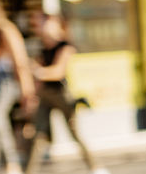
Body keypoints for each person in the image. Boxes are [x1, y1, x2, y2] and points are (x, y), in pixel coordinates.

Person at [25, 14, 106, 174]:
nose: (44, 28)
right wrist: (32, 94)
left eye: (48, 24)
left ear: (58, 26)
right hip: (46, 95)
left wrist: (37, 71)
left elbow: (58, 71)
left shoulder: (65, 46)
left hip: (63, 95)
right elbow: (39, 76)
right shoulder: (43, 47)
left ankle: (96, 167)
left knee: (74, 133)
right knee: (38, 135)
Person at [0, 0, 33, 174]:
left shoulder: (5, 28)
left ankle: (12, 163)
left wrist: (27, 91)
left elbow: (20, 61)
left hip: (5, 81)